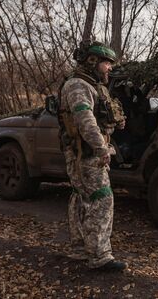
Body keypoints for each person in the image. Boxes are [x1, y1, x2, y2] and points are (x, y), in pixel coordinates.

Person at [58, 40, 127, 271]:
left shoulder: (91, 85)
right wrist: (101, 148)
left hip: (84, 152)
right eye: (107, 63)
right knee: (101, 199)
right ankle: (99, 256)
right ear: (93, 61)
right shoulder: (78, 85)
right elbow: (85, 120)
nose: (109, 68)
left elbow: (99, 116)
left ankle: (80, 249)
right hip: (85, 154)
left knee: (82, 197)